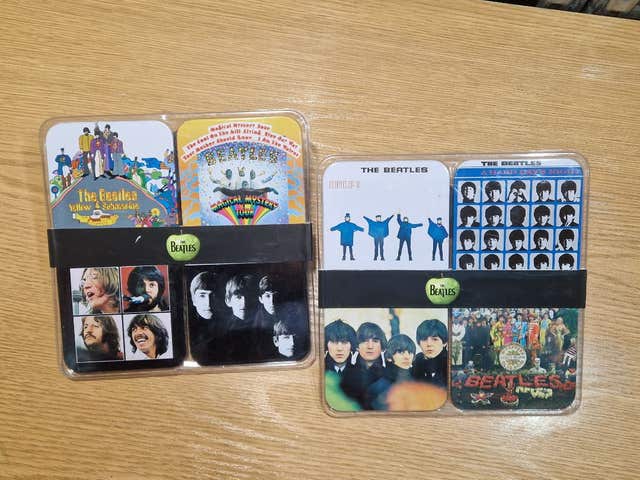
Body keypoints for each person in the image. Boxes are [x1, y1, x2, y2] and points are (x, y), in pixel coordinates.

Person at [340, 322, 387, 409]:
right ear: (357, 346)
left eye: (375, 341)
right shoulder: (345, 374)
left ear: (382, 346)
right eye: (365, 341)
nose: (370, 346)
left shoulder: (388, 374)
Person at [367, 334, 417, 410]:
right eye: (401, 352)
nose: (407, 357)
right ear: (389, 357)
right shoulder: (379, 387)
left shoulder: (418, 383)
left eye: (410, 352)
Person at [188, 271, 222, 364]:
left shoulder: (228, 325)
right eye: (202, 295)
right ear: (194, 299)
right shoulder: (187, 328)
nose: (208, 303)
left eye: (213, 295)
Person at [412, 319, 448, 387]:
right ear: (418, 343)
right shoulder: (415, 361)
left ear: (444, 342)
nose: (429, 344)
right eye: (424, 339)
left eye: (435, 339)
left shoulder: (450, 363)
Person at [254, 275, 280, 358]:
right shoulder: (258, 323)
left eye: (275, 295)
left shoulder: (285, 315)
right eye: (267, 296)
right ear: (260, 299)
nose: (272, 302)